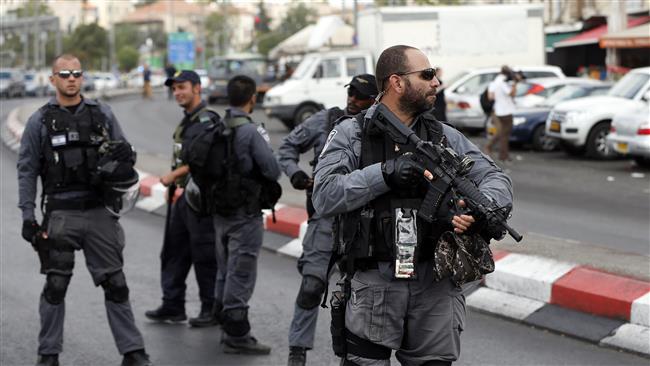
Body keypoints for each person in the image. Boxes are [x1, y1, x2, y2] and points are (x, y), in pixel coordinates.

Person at [312, 45, 513, 366]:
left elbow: (494, 177)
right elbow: (324, 195)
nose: (436, 83)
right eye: (427, 75)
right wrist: (385, 173)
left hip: (435, 282)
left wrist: (480, 208)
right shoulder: (352, 134)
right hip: (377, 282)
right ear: (397, 82)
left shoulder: (443, 136)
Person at [17, 54, 152, 366]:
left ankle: (133, 352)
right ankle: (48, 354)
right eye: (64, 74)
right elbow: (27, 171)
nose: (71, 79)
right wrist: (27, 215)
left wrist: (125, 154)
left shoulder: (102, 113)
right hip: (61, 213)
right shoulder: (40, 121)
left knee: (116, 285)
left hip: (99, 212)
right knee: (55, 285)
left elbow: (126, 155)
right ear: (53, 79)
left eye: (77, 73)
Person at [278, 74, 378, 366]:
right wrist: (295, 174)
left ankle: (353, 355)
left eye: (361, 97)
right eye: (351, 93)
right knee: (312, 286)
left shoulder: (383, 126)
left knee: (361, 293)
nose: (353, 100)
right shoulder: (326, 121)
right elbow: (287, 148)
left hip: (364, 223)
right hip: (326, 218)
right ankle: (297, 350)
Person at [212, 75, 281, 354]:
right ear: (252, 97)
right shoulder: (251, 131)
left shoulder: (217, 126)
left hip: (219, 210)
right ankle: (237, 334)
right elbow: (272, 170)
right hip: (245, 211)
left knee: (225, 269)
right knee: (241, 272)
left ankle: (223, 320)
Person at [144, 70, 219, 327]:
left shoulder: (207, 120)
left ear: (197, 88)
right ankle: (173, 305)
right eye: (174, 88)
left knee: (204, 256)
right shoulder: (188, 120)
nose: (177, 93)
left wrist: (172, 175)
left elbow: (202, 160)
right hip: (183, 197)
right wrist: (173, 185)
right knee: (173, 253)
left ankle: (211, 308)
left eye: (182, 87)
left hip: (201, 201)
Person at [484, 65, 521, 162]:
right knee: (505, 135)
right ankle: (502, 155)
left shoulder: (494, 82)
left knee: (501, 133)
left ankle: (497, 151)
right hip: (506, 111)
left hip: (497, 110)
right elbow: (511, 94)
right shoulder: (504, 82)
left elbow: (490, 97)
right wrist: (515, 84)